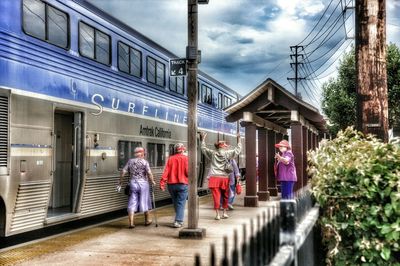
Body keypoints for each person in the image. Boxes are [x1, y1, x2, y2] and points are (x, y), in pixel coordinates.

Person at [200, 132, 241, 220]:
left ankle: (217, 214)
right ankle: (225, 213)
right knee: (226, 195)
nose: (226, 145)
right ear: (221, 146)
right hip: (224, 178)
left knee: (216, 196)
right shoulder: (228, 153)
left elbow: (203, 148)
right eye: (225, 144)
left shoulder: (212, 153)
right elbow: (238, 150)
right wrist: (239, 139)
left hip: (214, 178)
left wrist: (203, 139)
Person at [119, 147, 156, 229]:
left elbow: (123, 172)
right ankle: (147, 221)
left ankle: (131, 223)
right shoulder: (145, 162)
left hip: (133, 183)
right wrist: (152, 181)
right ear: (142, 154)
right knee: (145, 201)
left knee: (132, 201)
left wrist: (120, 182)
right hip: (143, 184)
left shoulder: (130, 161)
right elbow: (149, 173)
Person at [160, 143, 189, 228]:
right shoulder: (186, 159)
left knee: (176, 202)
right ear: (183, 150)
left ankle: (178, 217)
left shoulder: (170, 159)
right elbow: (188, 172)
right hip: (182, 184)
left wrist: (162, 183)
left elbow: (166, 172)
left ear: (175, 150)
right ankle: (178, 221)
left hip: (171, 185)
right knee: (181, 203)